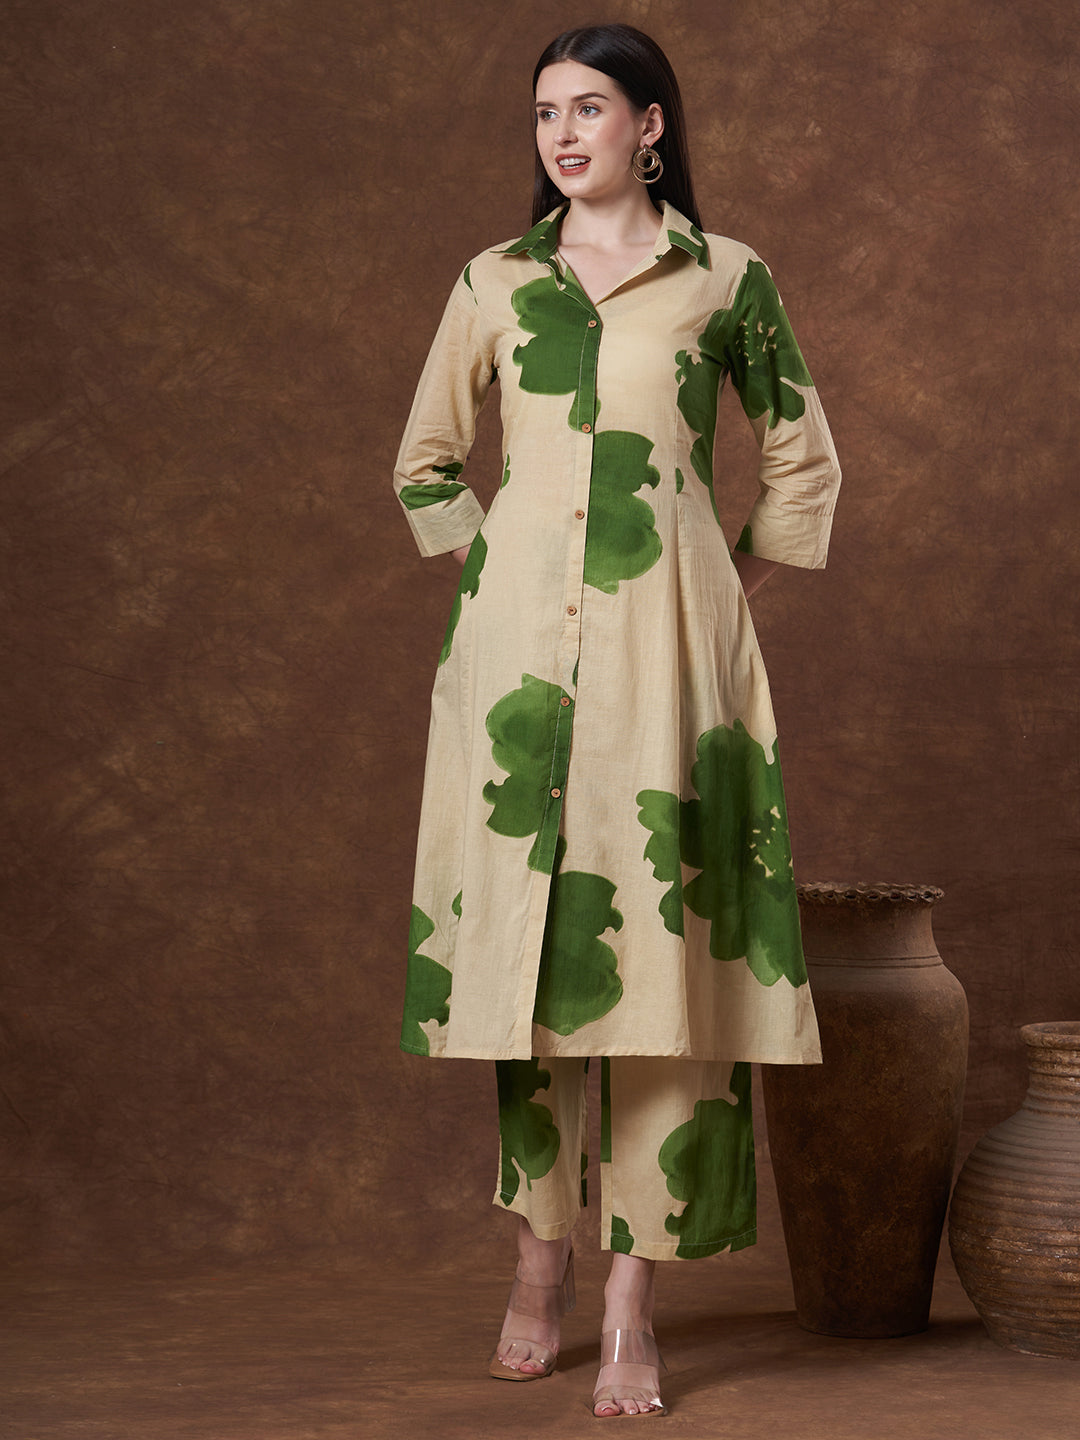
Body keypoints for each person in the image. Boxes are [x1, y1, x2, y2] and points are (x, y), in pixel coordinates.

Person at [393, 23, 841, 1419]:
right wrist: (498, 572)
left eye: (589, 108)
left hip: (670, 671)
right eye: (545, 113)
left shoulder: (727, 278)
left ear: (651, 125)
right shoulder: (494, 281)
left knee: (668, 968)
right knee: (535, 965)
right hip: (516, 681)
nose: (563, 134)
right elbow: (423, 465)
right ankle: (538, 1270)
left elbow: (802, 456)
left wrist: (716, 583)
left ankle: (634, 1304)